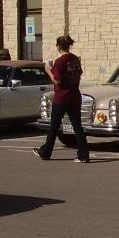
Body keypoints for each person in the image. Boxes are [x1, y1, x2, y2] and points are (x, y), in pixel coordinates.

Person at [33, 35, 90, 163]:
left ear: (58, 46)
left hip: (62, 97)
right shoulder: (75, 59)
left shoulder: (60, 61)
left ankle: (46, 152)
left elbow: (57, 80)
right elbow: (78, 74)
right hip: (75, 95)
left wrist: (48, 70)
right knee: (77, 125)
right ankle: (84, 154)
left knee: (54, 126)